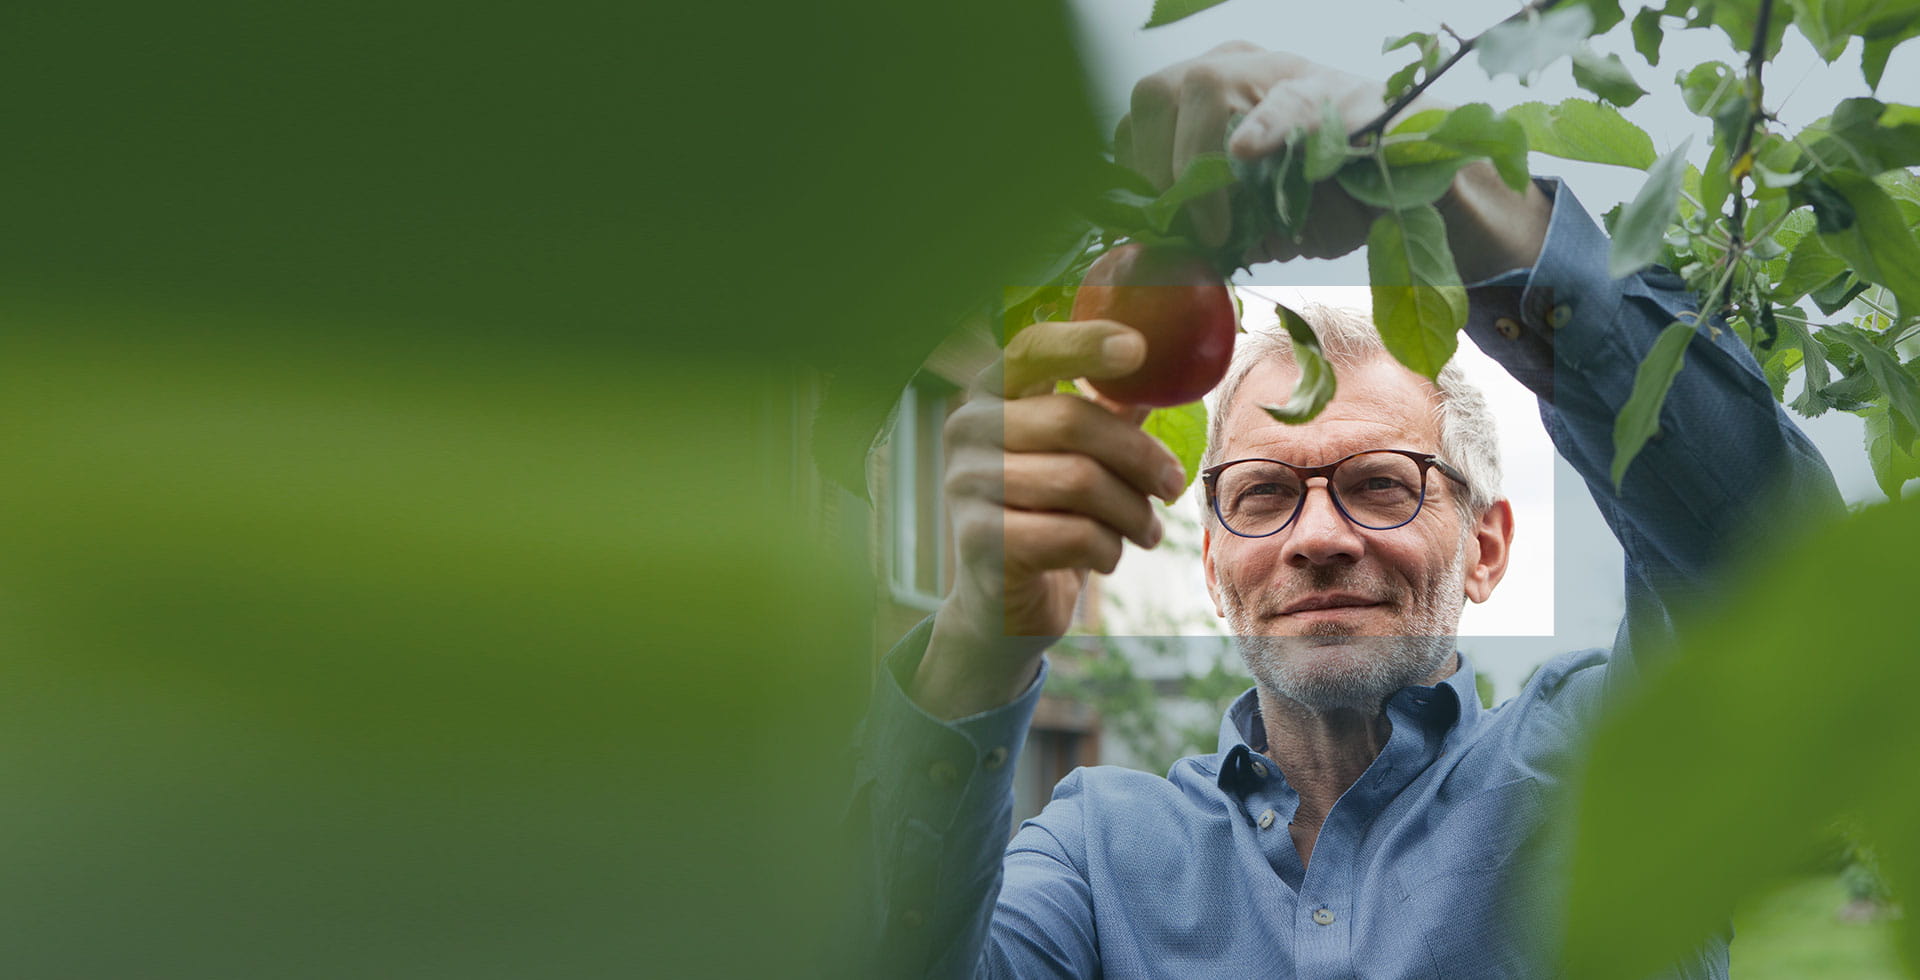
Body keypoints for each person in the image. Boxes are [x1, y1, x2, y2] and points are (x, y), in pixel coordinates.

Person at [849, 44, 1842, 978]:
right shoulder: (1096, 857)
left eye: (1380, 484)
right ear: (1213, 567)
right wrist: (979, 639)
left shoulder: (1609, 764)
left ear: (1486, 546)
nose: (1318, 538)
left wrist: (1458, 200)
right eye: (1263, 494)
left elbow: (1784, 578)